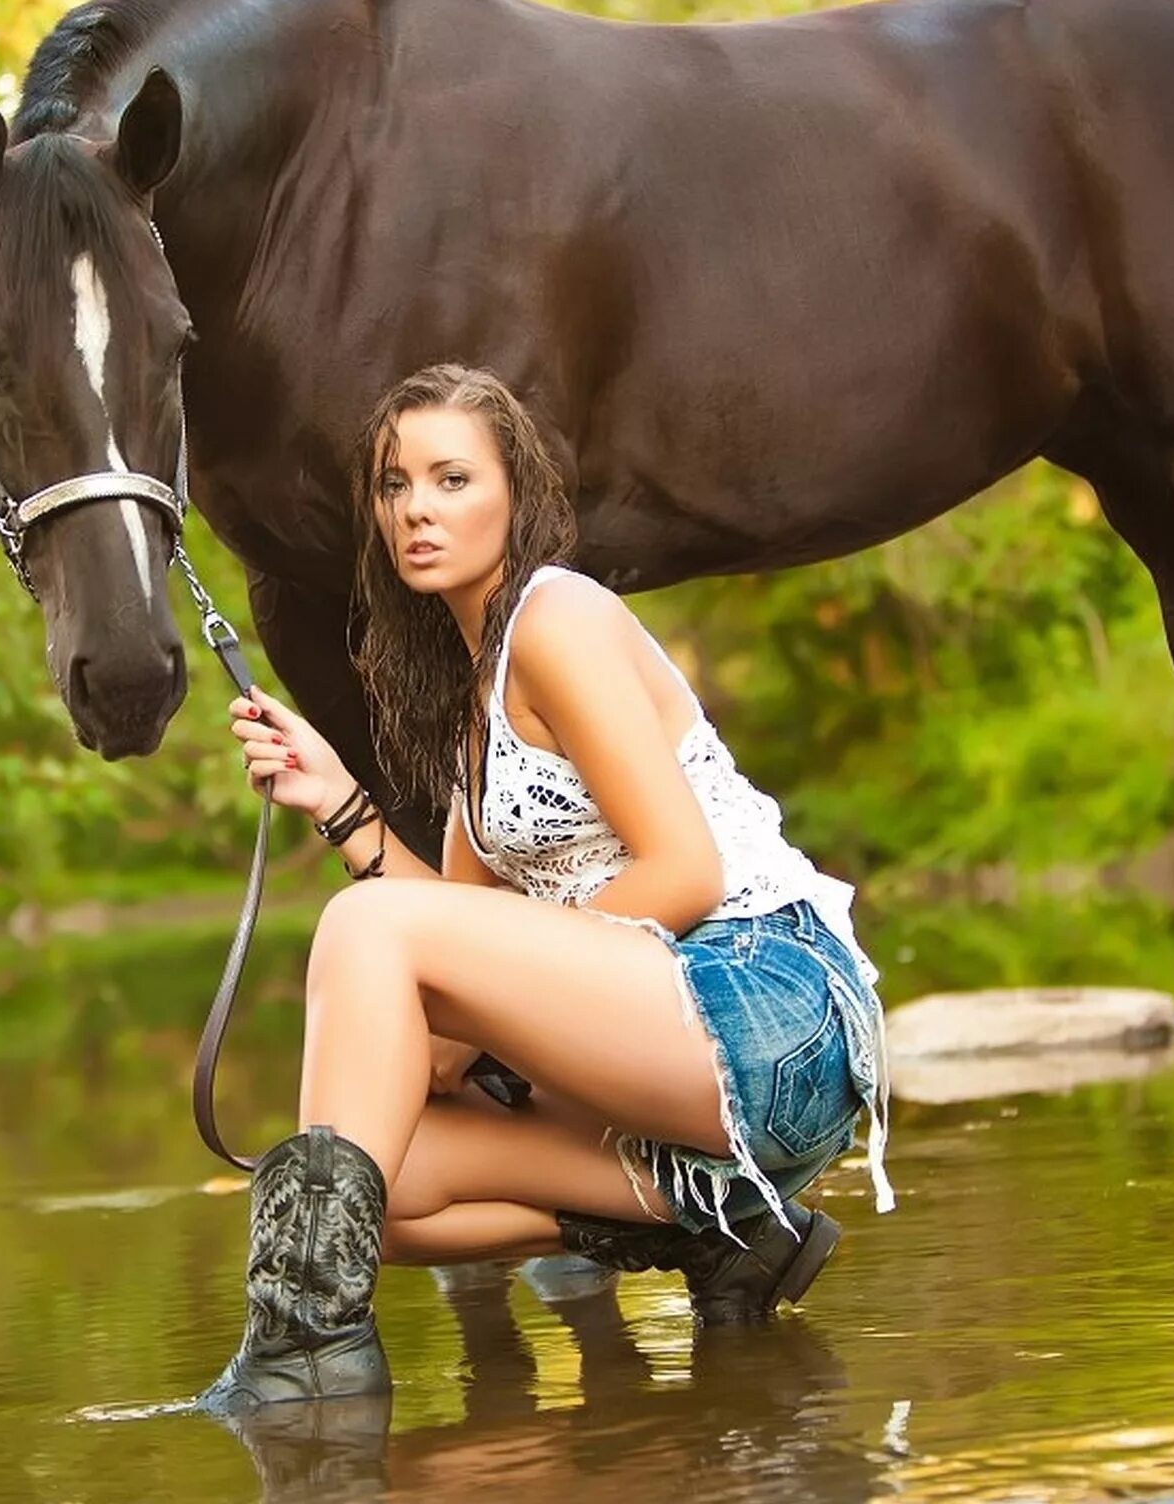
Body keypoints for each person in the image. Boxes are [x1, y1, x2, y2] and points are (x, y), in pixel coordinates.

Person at [198, 364, 893, 1413]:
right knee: (370, 1197)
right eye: (394, 486)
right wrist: (339, 804)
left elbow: (683, 871)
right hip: (667, 1079)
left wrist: (488, 1017)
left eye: (449, 478)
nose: (416, 509)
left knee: (367, 935)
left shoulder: (556, 617)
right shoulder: (476, 706)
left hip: (768, 1001)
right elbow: (457, 933)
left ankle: (302, 1354)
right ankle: (721, 1228)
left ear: (514, 493)